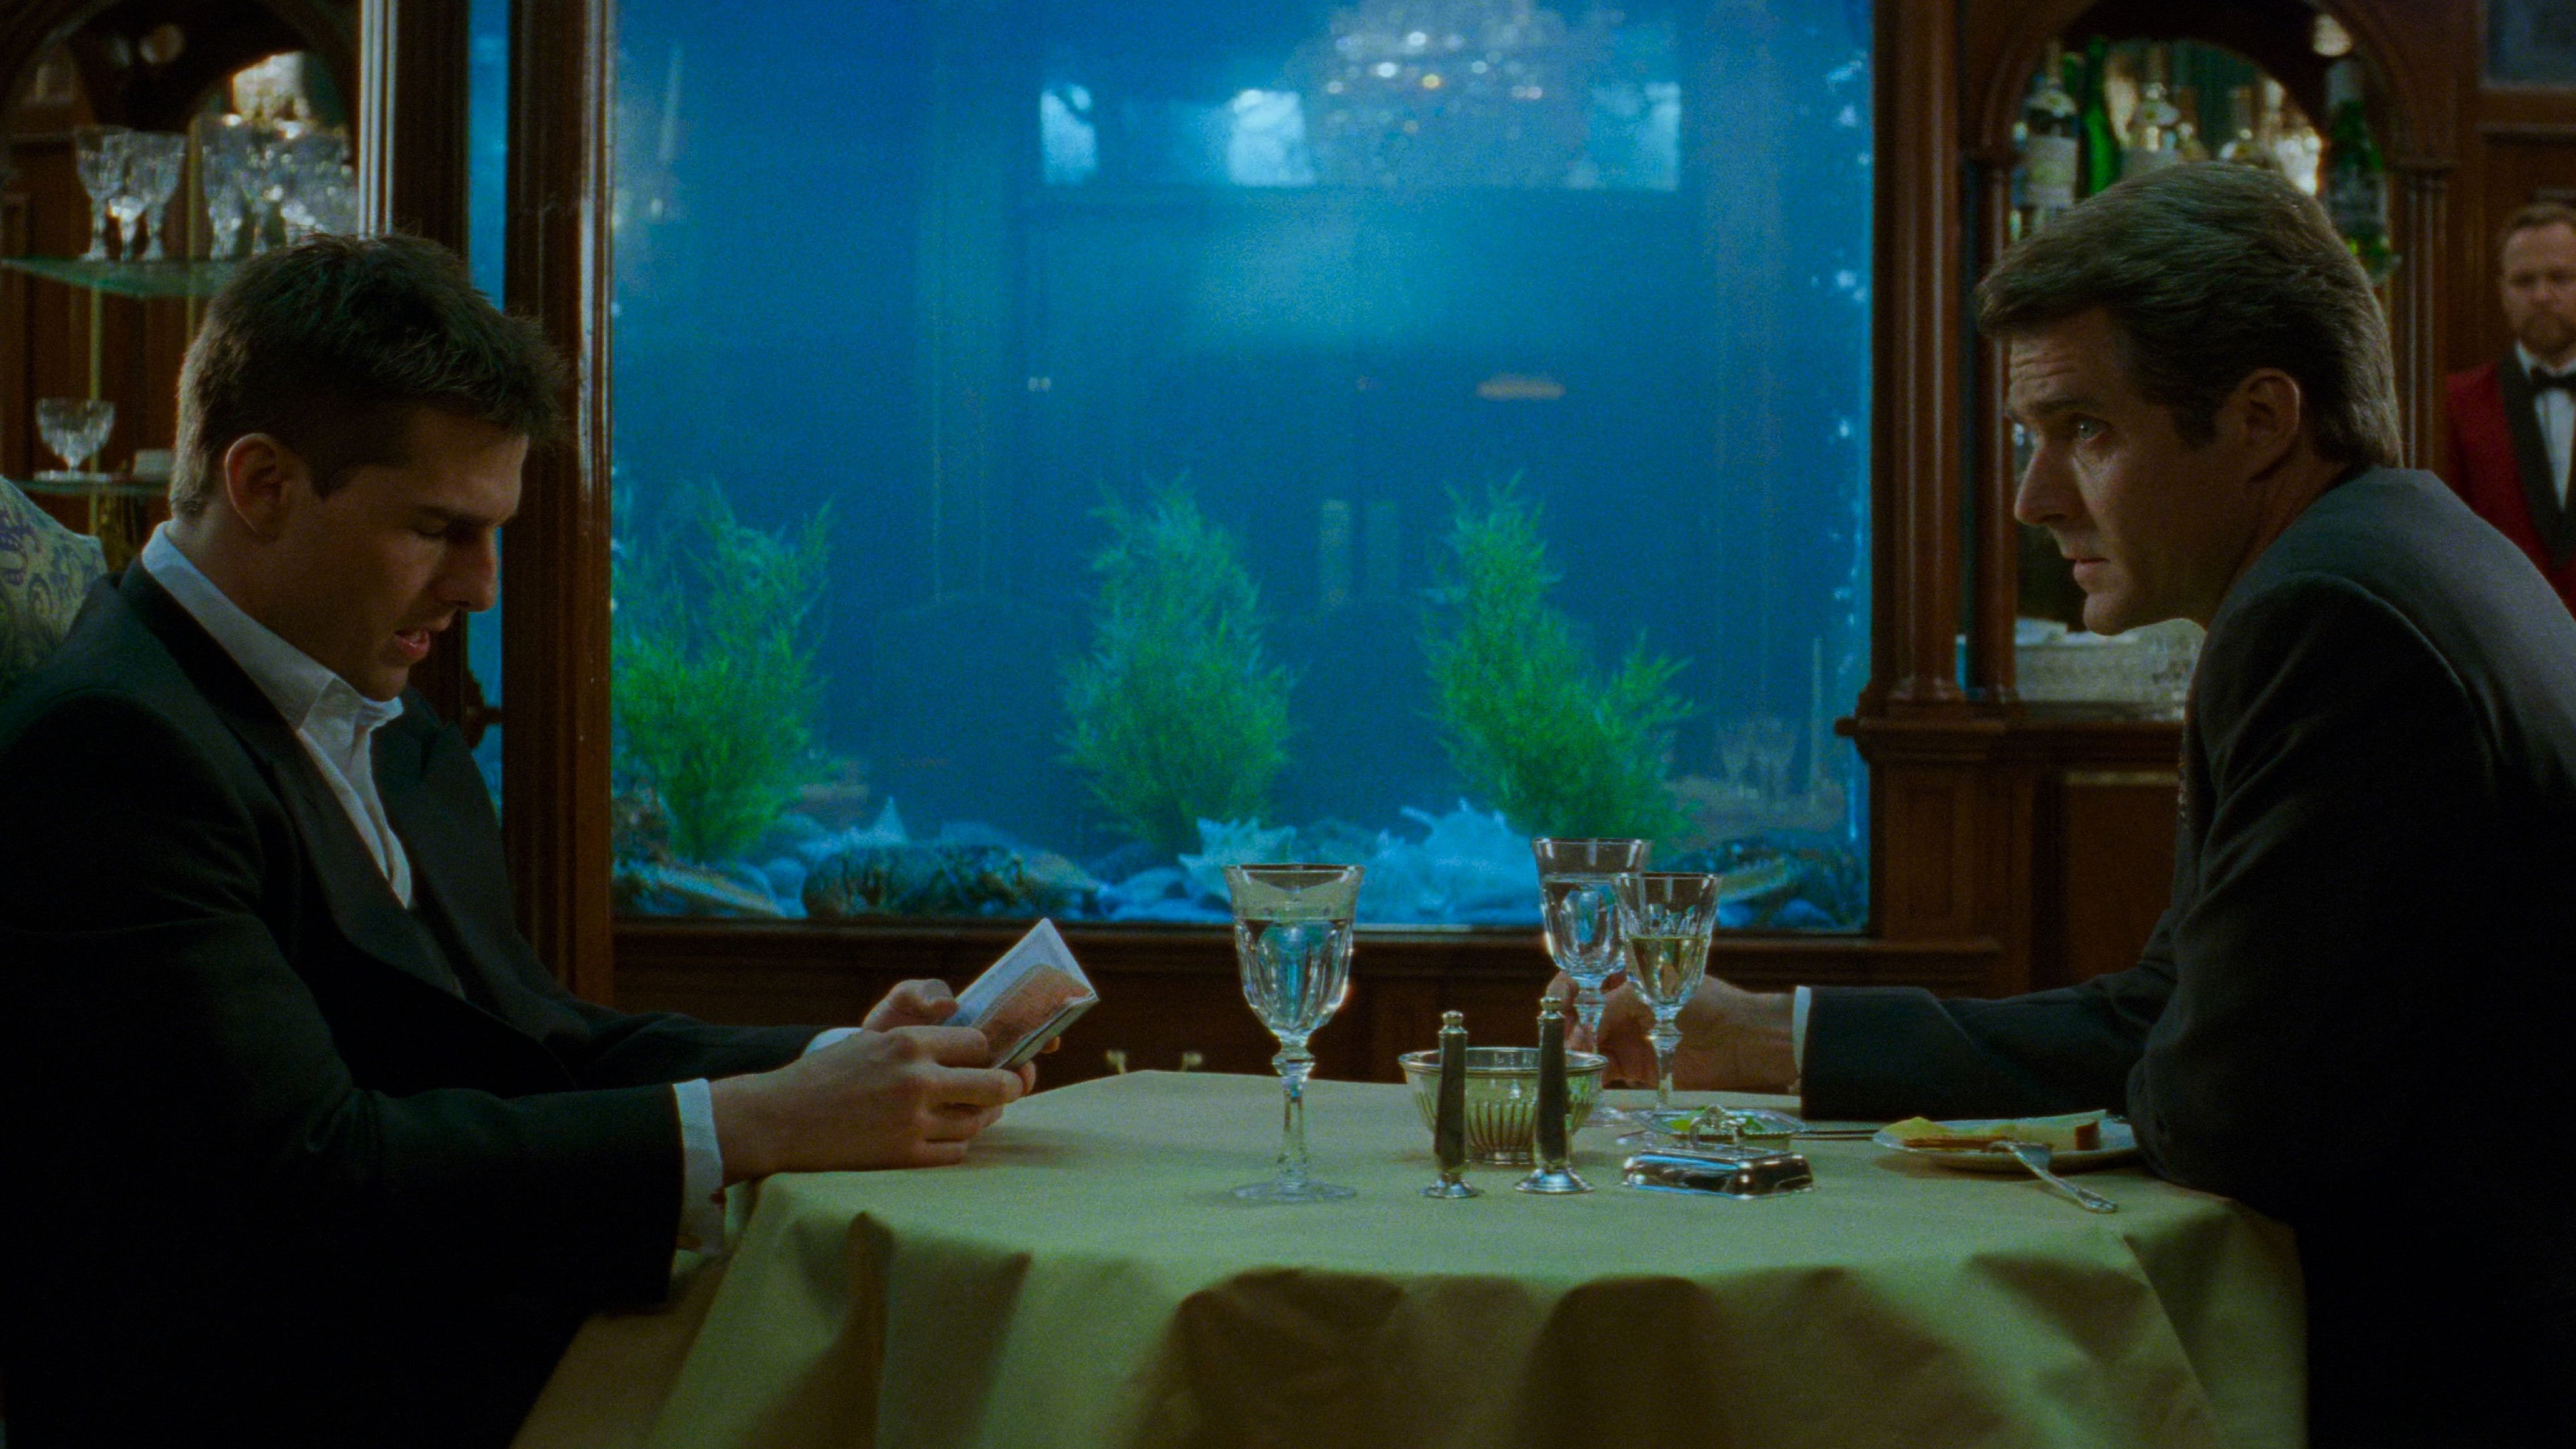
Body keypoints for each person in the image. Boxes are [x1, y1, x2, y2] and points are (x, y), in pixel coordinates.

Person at [1588, 164, 2576, 1446]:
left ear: (2261, 419)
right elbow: (2169, 1018)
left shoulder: (2328, 618)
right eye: (2029, 438)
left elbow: (2231, 1115)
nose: (2031, 497)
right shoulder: (2397, 548)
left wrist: (2187, 1062)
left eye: (2084, 430)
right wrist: (1783, 1038)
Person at [0, 235, 1032, 1448]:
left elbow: (532, 1040)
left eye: (493, 532)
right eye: (440, 529)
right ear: (264, 483)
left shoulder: (392, 729)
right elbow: (310, 1177)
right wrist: (764, 1120)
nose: (483, 586)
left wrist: (843, 1059)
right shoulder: (109, 750)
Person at [2443, 201, 2576, 616]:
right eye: (2524, 281)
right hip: (2502, 635)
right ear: (2503, 293)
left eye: (2560, 278)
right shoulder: (2455, 403)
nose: (2542, 295)